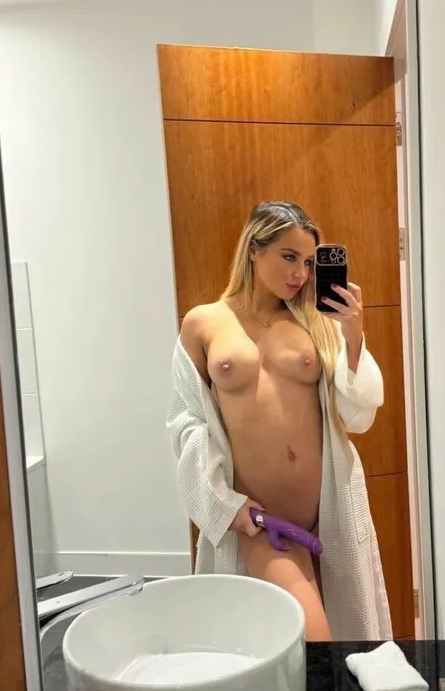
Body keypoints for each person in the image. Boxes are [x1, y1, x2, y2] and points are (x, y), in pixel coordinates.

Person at [167, 200, 392, 641]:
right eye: (289, 257)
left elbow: (358, 415)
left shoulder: (317, 322)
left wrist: (352, 336)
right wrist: (225, 505)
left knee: (339, 648)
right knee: (316, 644)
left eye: (308, 262)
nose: (300, 274)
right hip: (263, 523)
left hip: (329, 514)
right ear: (254, 248)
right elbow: (186, 422)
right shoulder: (204, 323)